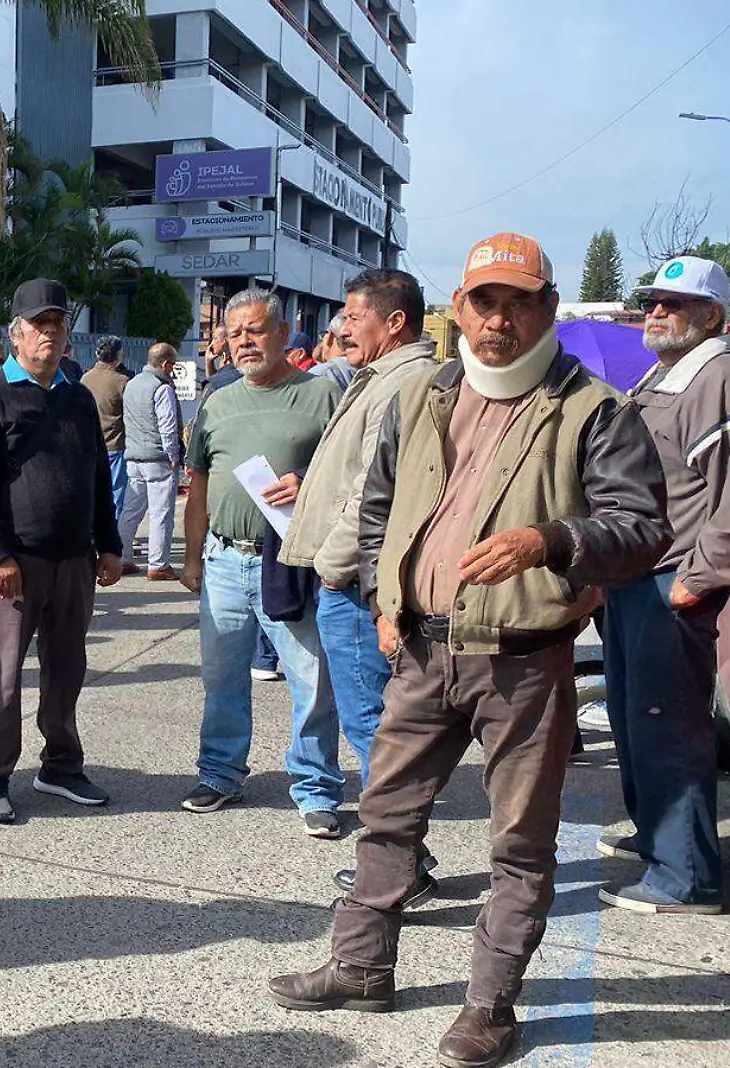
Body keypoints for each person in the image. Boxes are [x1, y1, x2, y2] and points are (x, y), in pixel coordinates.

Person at [268, 233, 670, 1068]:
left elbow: (641, 533)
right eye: (484, 302)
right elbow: (380, 506)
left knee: (518, 844)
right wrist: (387, 600)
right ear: (461, 311)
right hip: (423, 650)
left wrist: (550, 539)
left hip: (523, 660)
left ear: (547, 310)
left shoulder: (595, 410)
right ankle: (360, 966)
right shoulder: (430, 395)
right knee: (385, 817)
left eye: (518, 302)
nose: (498, 320)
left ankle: (490, 1006)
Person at [600, 256, 730, 916]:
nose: (658, 312)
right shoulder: (670, 372)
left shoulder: (722, 376)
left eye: (675, 304)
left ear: (713, 316)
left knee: (667, 727)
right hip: (637, 578)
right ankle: (660, 839)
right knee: (635, 720)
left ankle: (686, 877)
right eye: (654, 301)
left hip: (669, 583)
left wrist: (695, 580)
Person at [274, 269, 440, 900]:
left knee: (374, 725)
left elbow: (376, 495)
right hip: (359, 579)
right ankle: (399, 859)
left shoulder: (403, 382)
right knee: (375, 722)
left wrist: (332, 568)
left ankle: (398, 867)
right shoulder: (383, 377)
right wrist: (306, 489)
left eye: (351, 314)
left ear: (393, 321)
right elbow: (352, 477)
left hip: (358, 583)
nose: (340, 326)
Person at [177, 287, 343, 837]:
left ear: (283, 332)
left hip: (292, 561)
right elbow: (197, 486)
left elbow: (350, 476)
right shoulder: (217, 403)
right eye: (235, 332)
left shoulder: (321, 396)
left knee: (311, 677)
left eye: (256, 329)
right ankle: (221, 773)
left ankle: (316, 787)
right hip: (225, 560)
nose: (245, 341)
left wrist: (310, 483)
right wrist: (194, 557)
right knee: (222, 676)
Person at [0, 277, 124, 823]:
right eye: (39, 325)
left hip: (74, 560)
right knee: (3, 676)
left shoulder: (76, 397)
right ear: (16, 335)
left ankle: (60, 765)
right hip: (16, 567)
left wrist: (109, 544)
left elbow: (98, 474)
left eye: (57, 324)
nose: (49, 333)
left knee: (66, 668)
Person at [116, 342, 185, 581]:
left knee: (130, 512)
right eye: (172, 366)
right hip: (157, 459)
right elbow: (168, 427)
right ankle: (158, 565)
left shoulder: (131, 384)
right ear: (165, 364)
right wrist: (174, 457)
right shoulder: (162, 388)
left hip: (133, 457)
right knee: (161, 513)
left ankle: (123, 559)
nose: (173, 371)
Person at [81, 334, 130, 527]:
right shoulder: (122, 381)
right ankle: (112, 532)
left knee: (93, 489)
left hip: (90, 444)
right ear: (118, 355)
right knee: (116, 493)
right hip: (115, 444)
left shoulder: (85, 378)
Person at [310, 314, 357, 390]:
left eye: (324, 335)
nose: (321, 341)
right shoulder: (373, 374)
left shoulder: (319, 376)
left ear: (330, 337)